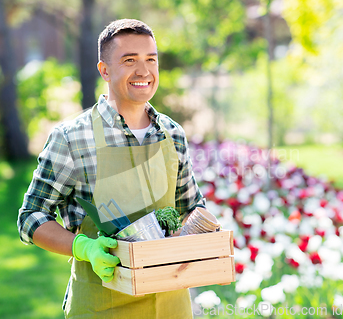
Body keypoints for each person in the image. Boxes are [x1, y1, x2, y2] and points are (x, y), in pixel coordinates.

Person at [17, 18, 206, 319]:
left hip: (172, 307)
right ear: (104, 70)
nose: (143, 71)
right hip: (101, 307)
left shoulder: (173, 134)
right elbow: (31, 217)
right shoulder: (72, 138)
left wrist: (203, 233)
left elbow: (190, 207)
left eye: (150, 60)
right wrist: (84, 247)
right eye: (129, 60)